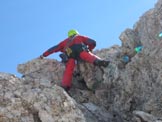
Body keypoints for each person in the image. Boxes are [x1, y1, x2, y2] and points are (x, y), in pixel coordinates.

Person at [40, 29, 109, 91]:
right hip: (80, 49)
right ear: (76, 33)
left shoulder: (64, 42)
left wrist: (44, 55)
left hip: (70, 54)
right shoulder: (79, 37)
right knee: (88, 56)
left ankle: (65, 86)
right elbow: (92, 42)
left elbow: (53, 49)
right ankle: (99, 61)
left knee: (69, 69)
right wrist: (90, 49)